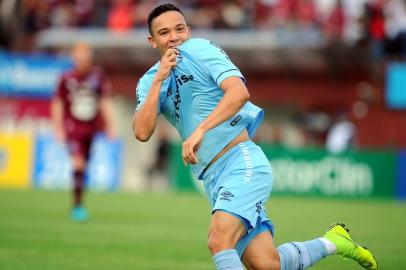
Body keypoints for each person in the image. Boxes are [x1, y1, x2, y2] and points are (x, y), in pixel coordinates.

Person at [132, 3, 378, 270]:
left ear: (189, 31)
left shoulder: (200, 49)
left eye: (180, 29)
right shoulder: (149, 81)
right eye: (165, 32)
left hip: (241, 161)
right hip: (213, 178)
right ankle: (334, 242)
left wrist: (200, 130)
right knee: (266, 264)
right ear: (152, 40)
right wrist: (159, 79)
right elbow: (142, 132)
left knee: (219, 239)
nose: (174, 37)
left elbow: (238, 93)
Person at [51, 43, 115, 222]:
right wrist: (58, 128)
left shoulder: (98, 77)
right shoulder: (66, 78)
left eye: (86, 58)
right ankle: (77, 207)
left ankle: (78, 203)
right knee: (78, 163)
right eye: (79, 58)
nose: (83, 62)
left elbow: (105, 101)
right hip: (72, 128)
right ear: (74, 59)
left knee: (83, 166)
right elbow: (58, 103)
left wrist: (110, 126)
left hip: (91, 129)